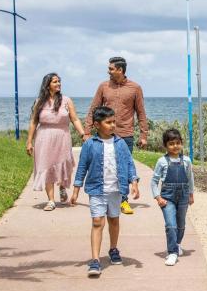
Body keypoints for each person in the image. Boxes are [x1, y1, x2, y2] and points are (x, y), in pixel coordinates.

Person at [71, 106, 140, 277]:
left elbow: (129, 163)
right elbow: (82, 168)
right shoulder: (89, 145)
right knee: (97, 222)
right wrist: (76, 190)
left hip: (116, 190)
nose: (112, 125)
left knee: (114, 221)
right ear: (96, 124)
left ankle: (113, 249)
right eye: (108, 122)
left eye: (113, 122)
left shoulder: (120, 143)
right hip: (96, 189)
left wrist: (134, 182)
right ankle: (95, 260)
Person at [83, 56, 148, 215]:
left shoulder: (135, 88)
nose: (108, 71)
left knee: (124, 168)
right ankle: (103, 198)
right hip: (104, 134)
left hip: (125, 134)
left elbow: (141, 113)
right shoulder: (103, 86)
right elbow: (94, 109)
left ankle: (123, 200)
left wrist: (143, 135)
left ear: (120, 70)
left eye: (111, 68)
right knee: (104, 166)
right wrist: (87, 131)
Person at [26, 73, 86, 211]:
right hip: (43, 137)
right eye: (55, 82)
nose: (58, 84)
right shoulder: (39, 102)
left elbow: (75, 119)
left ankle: (63, 187)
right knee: (46, 167)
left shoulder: (66, 100)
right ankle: (51, 201)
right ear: (47, 85)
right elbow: (34, 122)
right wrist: (29, 141)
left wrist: (83, 134)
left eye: (59, 81)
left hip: (62, 136)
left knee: (63, 164)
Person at [150, 128, 194, 266]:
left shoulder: (186, 160)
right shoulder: (161, 161)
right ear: (165, 146)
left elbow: (190, 178)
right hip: (167, 197)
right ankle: (172, 253)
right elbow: (154, 181)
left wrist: (191, 194)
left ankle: (178, 244)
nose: (175, 146)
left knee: (181, 225)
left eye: (178, 143)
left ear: (181, 143)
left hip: (183, 196)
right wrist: (158, 197)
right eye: (171, 144)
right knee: (171, 225)